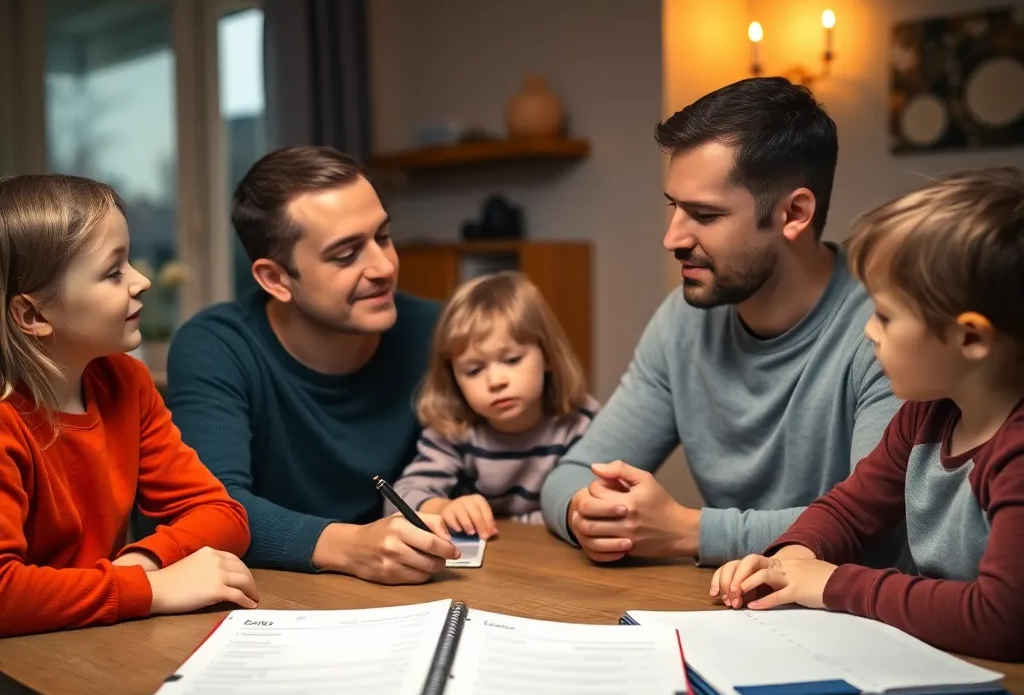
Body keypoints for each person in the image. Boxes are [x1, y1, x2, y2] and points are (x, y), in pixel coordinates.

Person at [540, 77, 901, 566]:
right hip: (725, 612)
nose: (672, 238)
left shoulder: (890, 327)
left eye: (704, 215)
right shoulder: (681, 322)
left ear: (794, 213)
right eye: (674, 207)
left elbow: (877, 528)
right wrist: (585, 514)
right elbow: (571, 474)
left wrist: (690, 532)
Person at [709, 169, 1024, 661]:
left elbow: (1000, 618)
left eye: (886, 315)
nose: (868, 331)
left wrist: (834, 584)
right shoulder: (927, 416)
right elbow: (849, 511)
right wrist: (792, 559)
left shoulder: (1015, 451)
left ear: (971, 338)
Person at [166, 146, 458, 584]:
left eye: (383, 237)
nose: (384, 267)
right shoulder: (217, 346)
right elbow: (211, 506)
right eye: (346, 255)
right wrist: (347, 546)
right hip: (274, 598)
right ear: (276, 279)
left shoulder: (440, 331)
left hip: (415, 588)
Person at [0, 174, 254, 639]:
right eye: (113, 271)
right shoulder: (6, 421)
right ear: (33, 316)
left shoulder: (126, 382)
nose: (142, 280)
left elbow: (223, 513)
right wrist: (152, 590)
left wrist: (146, 561)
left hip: (98, 640)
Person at [393, 271, 598, 536]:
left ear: (547, 355)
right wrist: (442, 508)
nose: (496, 381)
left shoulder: (580, 422)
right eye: (474, 370)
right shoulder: (454, 431)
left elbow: (597, 502)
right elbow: (399, 498)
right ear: (453, 378)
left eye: (512, 360)